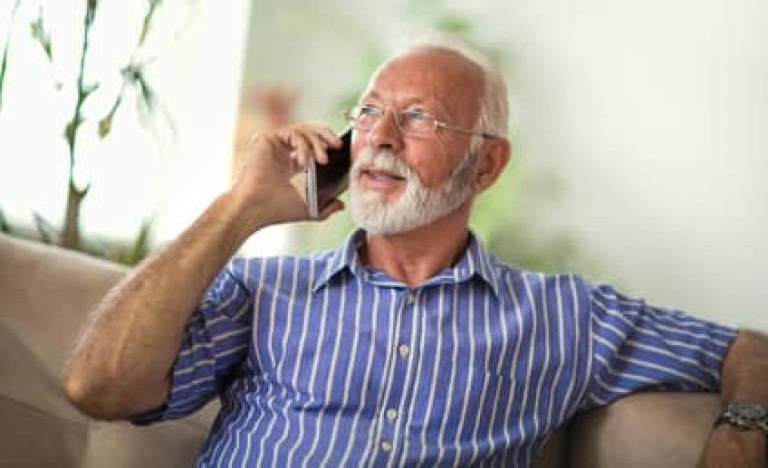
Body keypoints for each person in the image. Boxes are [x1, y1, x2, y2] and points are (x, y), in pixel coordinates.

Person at [64, 35, 768, 467]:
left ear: (486, 167)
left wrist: (738, 437)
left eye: (420, 117)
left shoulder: (565, 317)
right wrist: (240, 207)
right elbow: (98, 387)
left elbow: (750, 351)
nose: (380, 136)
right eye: (368, 111)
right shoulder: (263, 290)